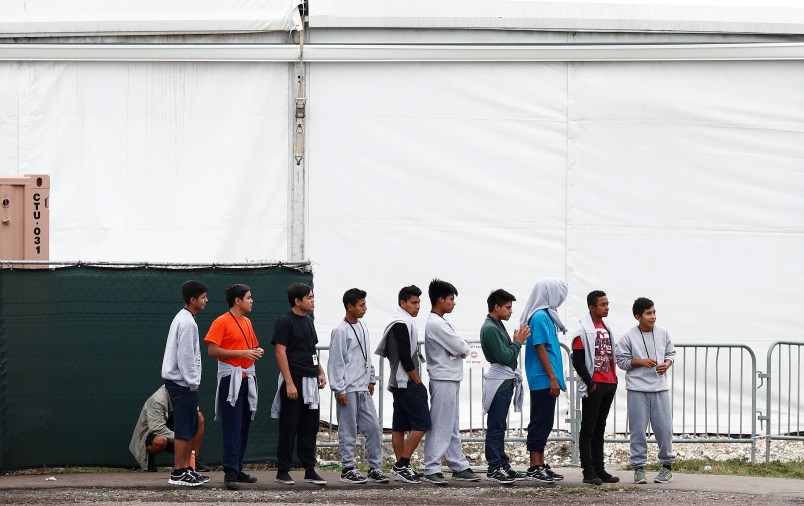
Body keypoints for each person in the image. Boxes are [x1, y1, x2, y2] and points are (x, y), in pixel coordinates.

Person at [205, 284, 265, 490]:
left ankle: (237, 467)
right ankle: (229, 471)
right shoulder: (221, 321)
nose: (252, 300)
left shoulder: (247, 321)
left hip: (248, 377)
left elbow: (249, 347)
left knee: (244, 425)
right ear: (237, 300)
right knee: (232, 425)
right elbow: (212, 350)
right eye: (248, 297)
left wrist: (255, 352)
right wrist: (242, 353)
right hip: (231, 378)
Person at [327, 288, 390, 484]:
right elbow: (336, 361)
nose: (365, 308)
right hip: (348, 388)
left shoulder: (362, 327)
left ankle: (374, 467)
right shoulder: (340, 331)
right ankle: (348, 468)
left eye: (364, 304)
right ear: (350, 307)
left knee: (373, 428)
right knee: (347, 429)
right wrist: (339, 388)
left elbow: (366, 354)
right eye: (361, 305)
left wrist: (370, 377)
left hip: (362, 387)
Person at [422, 279, 480, 484]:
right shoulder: (437, 324)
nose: (453, 303)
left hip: (450, 377)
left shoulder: (441, 322)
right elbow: (463, 348)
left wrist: (458, 349)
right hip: (443, 378)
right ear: (440, 300)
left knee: (452, 424)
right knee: (440, 424)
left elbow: (458, 348)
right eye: (450, 299)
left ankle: (457, 464)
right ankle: (431, 466)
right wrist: (460, 347)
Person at [270, 283, 327, 486]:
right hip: (294, 379)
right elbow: (280, 352)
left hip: (311, 380)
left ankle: (309, 469)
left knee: (310, 426)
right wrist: (289, 383)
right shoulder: (285, 321)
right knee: (289, 425)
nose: (313, 300)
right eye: (309, 297)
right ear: (297, 301)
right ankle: (282, 470)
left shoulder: (309, 321)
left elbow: (311, 350)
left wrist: (320, 371)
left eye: (312, 297)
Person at [615, 297, 676, 484]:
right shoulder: (628, 336)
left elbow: (671, 354)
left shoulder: (663, 333)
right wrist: (640, 361)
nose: (653, 316)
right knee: (638, 430)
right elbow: (621, 361)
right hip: (637, 389)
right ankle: (639, 468)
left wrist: (666, 364)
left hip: (660, 388)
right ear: (637, 316)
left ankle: (666, 466)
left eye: (654, 312)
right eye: (648, 313)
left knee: (664, 429)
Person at [374, 285, 430, 484]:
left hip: (397, 381)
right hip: (405, 381)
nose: (418, 306)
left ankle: (401, 467)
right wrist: (418, 381)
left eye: (419, 302)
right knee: (423, 423)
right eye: (414, 303)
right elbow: (405, 357)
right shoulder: (401, 323)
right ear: (402, 303)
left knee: (399, 425)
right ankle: (402, 465)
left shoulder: (399, 321)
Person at [160, 279, 210, 486]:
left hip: (182, 383)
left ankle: (187, 469)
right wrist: (192, 382)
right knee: (183, 427)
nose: (206, 300)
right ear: (192, 300)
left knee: (190, 425)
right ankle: (178, 472)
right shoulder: (187, 322)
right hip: (182, 384)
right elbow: (186, 356)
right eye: (203, 297)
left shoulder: (185, 318)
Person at [520, 277, 568, 484]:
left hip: (547, 378)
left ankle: (539, 464)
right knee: (541, 420)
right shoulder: (539, 317)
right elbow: (540, 347)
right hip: (543, 379)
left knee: (545, 421)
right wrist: (552, 377)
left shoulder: (547, 316)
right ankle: (534, 465)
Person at [480, 289, 530, 484]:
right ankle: (494, 467)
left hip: (504, 381)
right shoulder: (490, 328)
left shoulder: (496, 324)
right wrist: (517, 342)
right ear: (496, 307)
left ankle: (502, 464)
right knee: (496, 426)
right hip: (499, 383)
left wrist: (515, 343)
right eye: (508, 307)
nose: (510, 311)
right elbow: (505, 356)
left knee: (500, 426)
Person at [571, 290, 619, 485]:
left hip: (609, 383)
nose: (606, 307)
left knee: (600, 428)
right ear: (592, 307)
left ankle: (600, 469)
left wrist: (614, 379)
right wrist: (590, 382)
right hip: (595, 384)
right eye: (603, 304)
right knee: (588, 429)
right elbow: (578, 360)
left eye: (607, 304)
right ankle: (588, 471)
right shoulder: (583, 331)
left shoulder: (606, 328)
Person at [129, 385, 210, 473]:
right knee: (160, 441)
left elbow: (191, 416)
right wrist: (182, 439)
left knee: (198, 417)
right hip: (151, 433)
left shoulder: (186, 392)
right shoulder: (157, 400)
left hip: (174, 429)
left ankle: (193, 459)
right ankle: (149, 458)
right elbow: (157, 428)